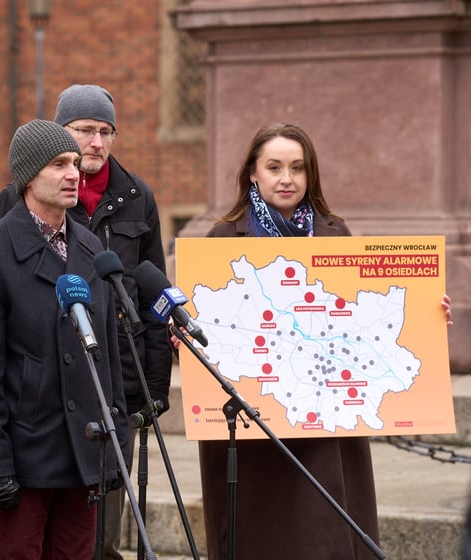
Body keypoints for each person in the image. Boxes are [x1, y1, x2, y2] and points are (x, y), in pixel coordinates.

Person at [185, 122, 450, 560]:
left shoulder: (334, 233)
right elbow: (203, 325)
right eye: (274, 167)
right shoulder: (222, 239)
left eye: (297, 168)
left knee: (324, 534)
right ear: (253, 173)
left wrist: (428, 313)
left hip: (326, 429)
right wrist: (187, 338)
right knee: (260, 538)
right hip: (256, 432)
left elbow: (368, 317)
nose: (286, 178)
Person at [0, 85, 173, 558]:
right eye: (85, 132)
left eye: (105, 132)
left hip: (113, 387)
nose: (95, 143)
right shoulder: (10, 210)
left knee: (99, 536)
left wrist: (152, 385)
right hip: (40, 400)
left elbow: (151, 294)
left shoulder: (136, 197)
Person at [0, 119, 130, 558]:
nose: (74, 173)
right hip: (27, 458)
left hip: (85, 453)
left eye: (74, 163)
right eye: (59, 164)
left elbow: (108, 357)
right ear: (29, 175)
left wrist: (117, 448)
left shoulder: (92, 251)